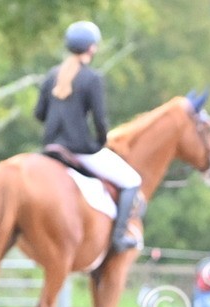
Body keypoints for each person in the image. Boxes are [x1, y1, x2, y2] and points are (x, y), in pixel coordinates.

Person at [34, 20, 143, 252]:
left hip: (51, 148)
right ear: (91, 48)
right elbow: (100, 120)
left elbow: (39, 114)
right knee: (132, 180)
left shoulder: (52, 75)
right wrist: (101, 142)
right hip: (79, 150)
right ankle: (119, 237)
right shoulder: (92, 78)